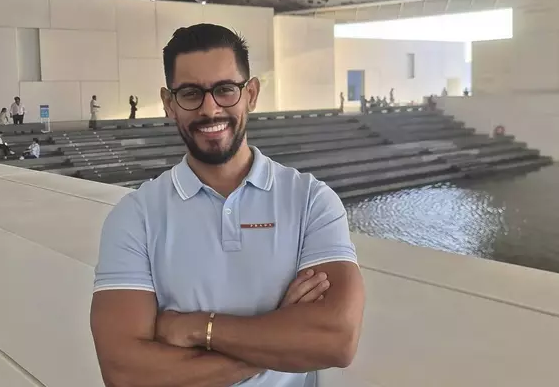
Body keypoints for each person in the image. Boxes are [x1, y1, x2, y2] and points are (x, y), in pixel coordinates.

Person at [90, 24, 365, 387]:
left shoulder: (311, 200)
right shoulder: (135, 216)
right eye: (190, 93)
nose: (210, 108)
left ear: (251, 94)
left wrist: (194, 328)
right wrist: (278, 335)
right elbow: (125, 374)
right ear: (169, 103)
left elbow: (335, 340)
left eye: (225, 90)